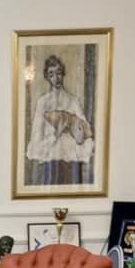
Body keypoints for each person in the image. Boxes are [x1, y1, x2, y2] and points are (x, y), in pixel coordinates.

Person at [24, 54, 96, 186]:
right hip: (50, 159)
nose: (56, 78)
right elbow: (36, 138)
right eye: (51, 74)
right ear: (47, 77)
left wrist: (77, 134)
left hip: (72, 160)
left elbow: (84, 134)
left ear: (63, 74)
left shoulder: (73, 101)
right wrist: (56, 134)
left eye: (58, 73)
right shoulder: (43, 102)